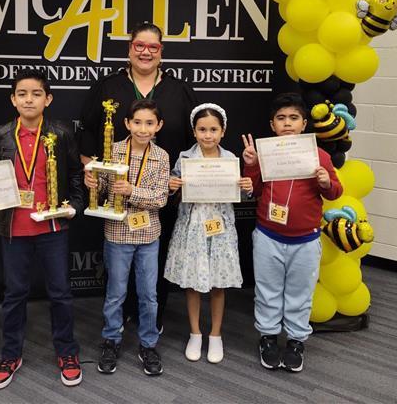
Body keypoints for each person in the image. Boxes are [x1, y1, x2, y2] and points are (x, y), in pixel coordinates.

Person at [0, 70, 84, 389]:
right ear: (13, 99)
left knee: (61, 294)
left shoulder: (61, 134)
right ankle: (10, 354)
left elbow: (76, 175)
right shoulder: (1, 136)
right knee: (14, 295)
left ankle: (67, 352)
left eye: (36, 93)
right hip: (14, 229)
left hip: (53, 226)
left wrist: (75, 206)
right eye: (22, 93)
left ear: (48, 99)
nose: (29, 99)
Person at [78, 21, 198, 330]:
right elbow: (89, 133)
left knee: (153, 258)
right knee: (119, 260)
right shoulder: (108, 86)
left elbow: (193, 142)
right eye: (139, 46)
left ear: (162, 52)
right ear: (130, 48)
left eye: (153, 47)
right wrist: (92, 172)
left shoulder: (179, 89)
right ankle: (122, 313)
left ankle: (152, 315)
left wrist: (180, 178)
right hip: (115, 193)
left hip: (161, 194)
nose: (145, 52)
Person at [241, 92, 342, 373]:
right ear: (272, 125)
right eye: (281, 118)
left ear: (304, 123)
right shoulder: (266, 153)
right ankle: (268, 337)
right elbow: (255, 189)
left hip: (306, 239)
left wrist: (325, 181)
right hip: (268, 236)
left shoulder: (319, 155)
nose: (287, 123)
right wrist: (251, 164)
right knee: (268, 290)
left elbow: (336, 192)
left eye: (293, 118)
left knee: (300, 293)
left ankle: (296, 340)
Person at [84, 99, 170, 376]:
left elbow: (160, 199)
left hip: (148, 235)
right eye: (137, 122)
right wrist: (94, 183)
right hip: (117, 234)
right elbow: (105, 189)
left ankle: (148, 344)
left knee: (149, 295)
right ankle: (111, 340)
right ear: (127, 124)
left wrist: (132, 191)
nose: (143, 129)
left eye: (149, 123)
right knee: (115, 294)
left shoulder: (162, 156)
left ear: (158, 126)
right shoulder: (114, 151)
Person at [164, 103, 252, 364]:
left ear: (222, 131)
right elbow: (172, 188)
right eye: (202, 129)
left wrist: (246, 186)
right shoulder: (185, 157)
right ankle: (195, 333)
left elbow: (242, 192)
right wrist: (172, 185)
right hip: (191, 226)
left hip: (220, 227)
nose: (208, 135)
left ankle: (215, 335)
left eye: (213, 129)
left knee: (218, 282)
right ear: (194, 131)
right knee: (192, 282)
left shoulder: (229, 159)